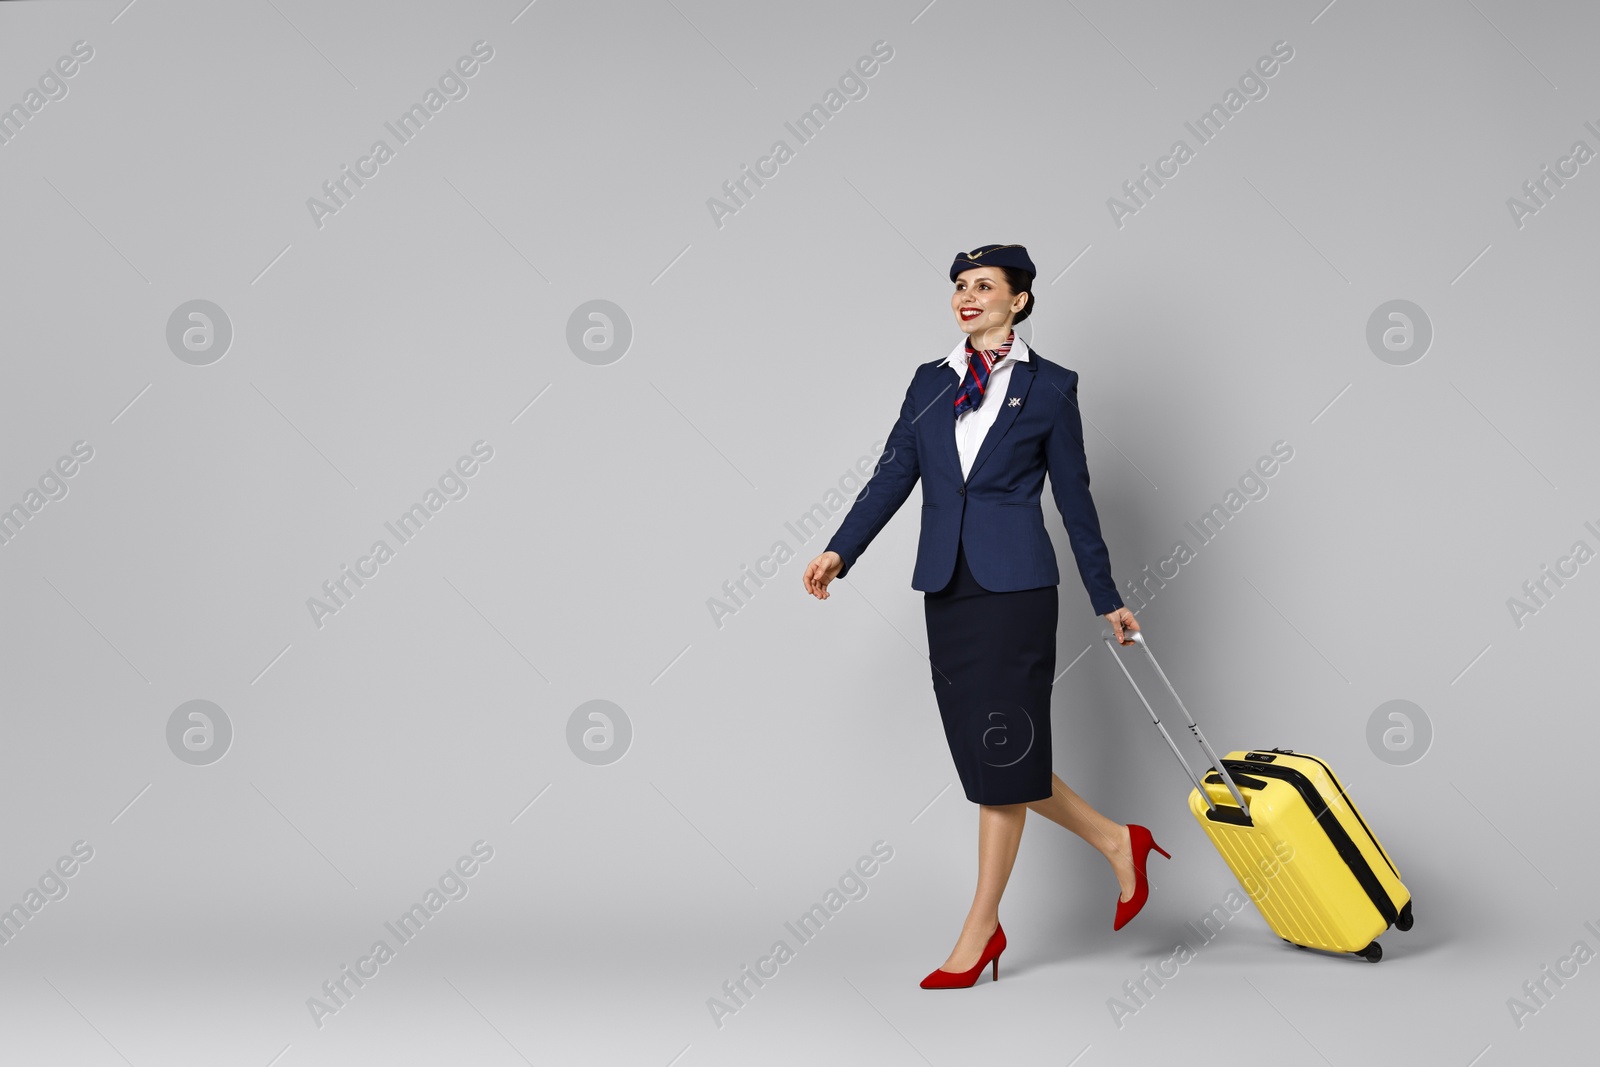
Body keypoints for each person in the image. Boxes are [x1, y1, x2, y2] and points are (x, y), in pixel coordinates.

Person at [802, 243, 1168, 989]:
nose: (966, 296)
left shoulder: (1053, 387)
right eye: (959, 286)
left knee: (1002, 754)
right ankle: (1115, 839)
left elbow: (1075, 499)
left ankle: (980, 928)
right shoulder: (929, 382)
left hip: (1016, 589)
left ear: (1020, 300)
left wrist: (1107, 596)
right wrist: (843, 549)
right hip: (947, 585)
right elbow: (893, 472)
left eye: (984, 285)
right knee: (987, 754)